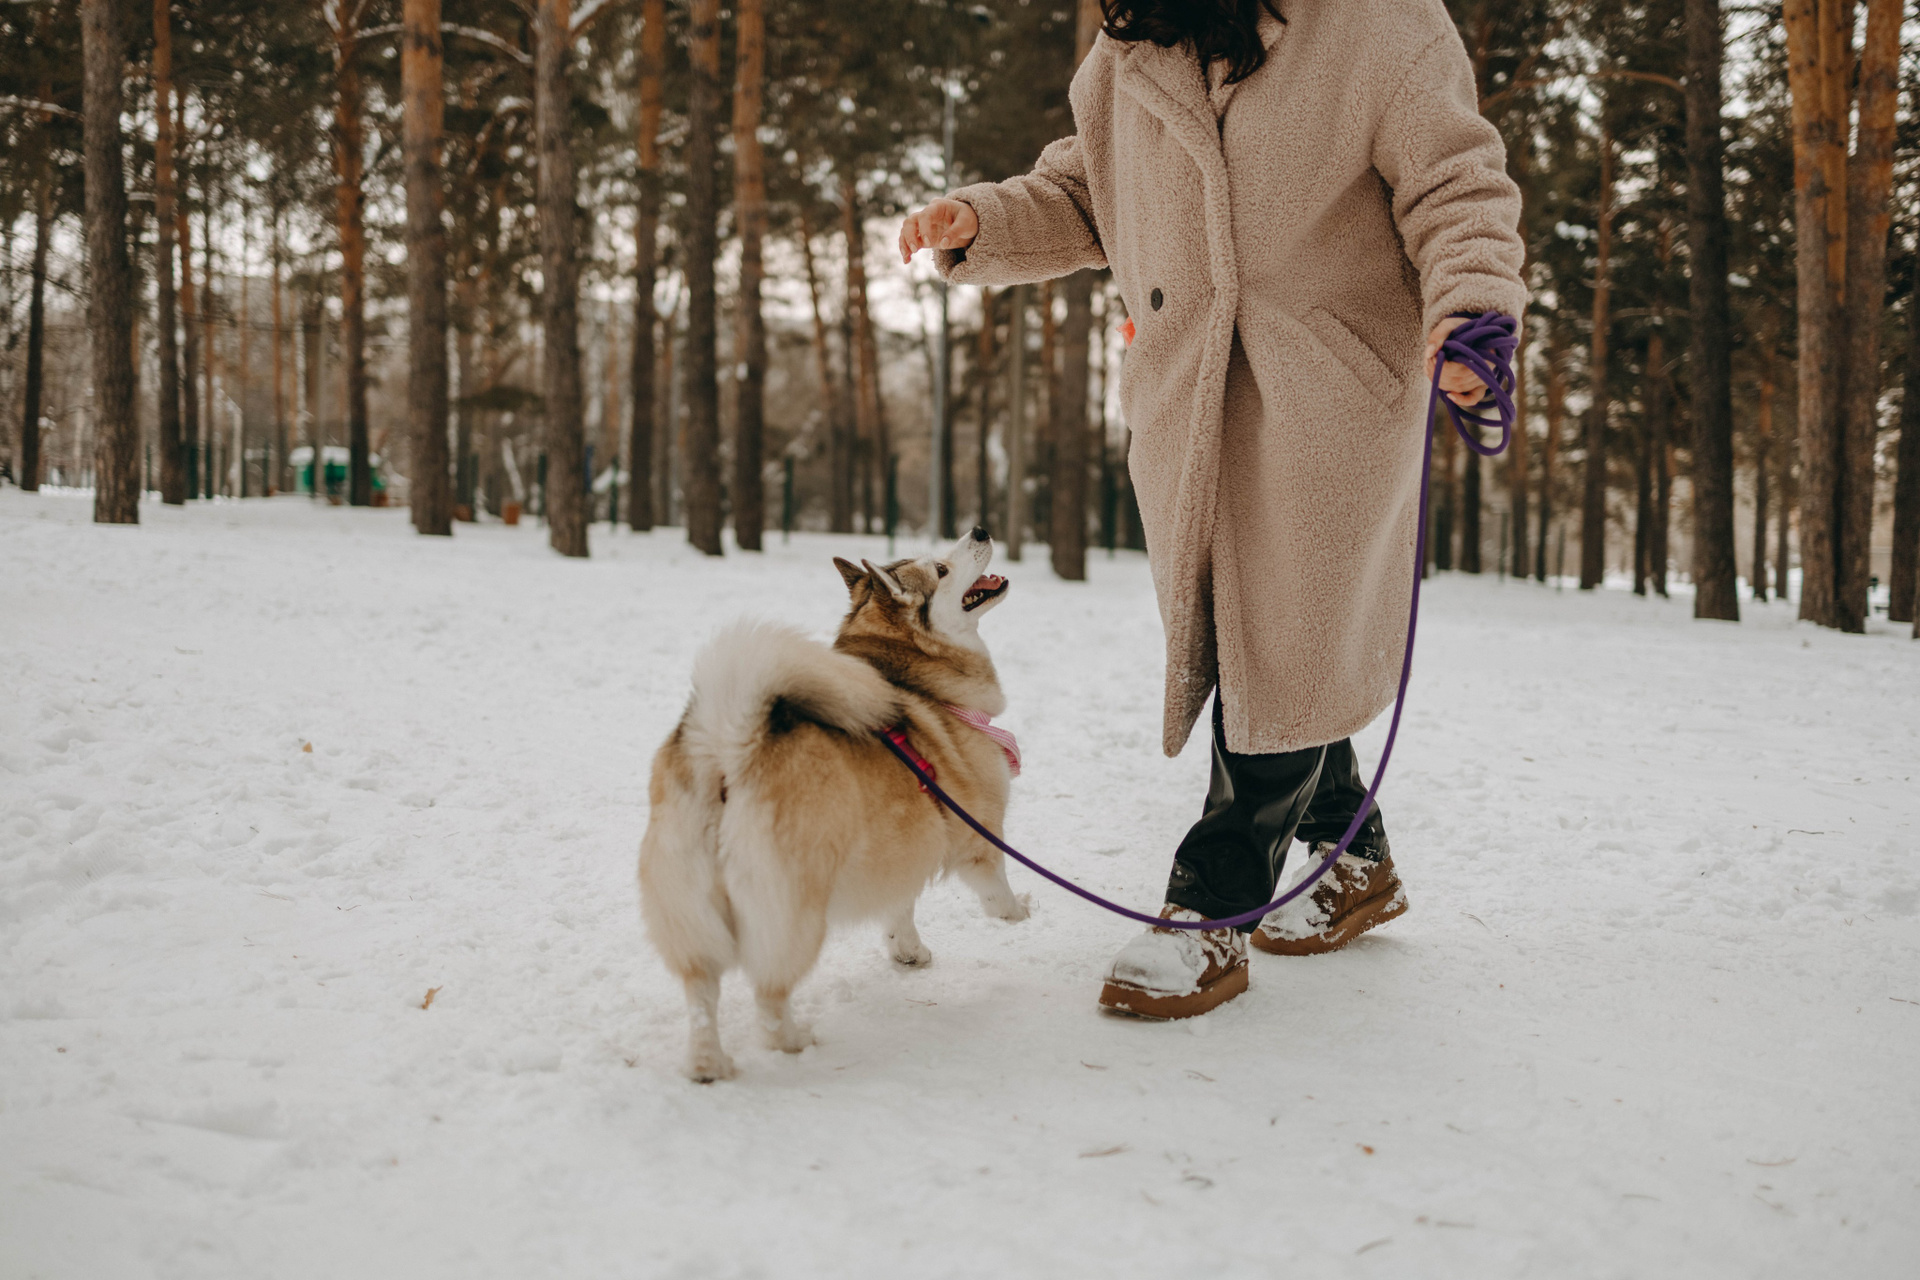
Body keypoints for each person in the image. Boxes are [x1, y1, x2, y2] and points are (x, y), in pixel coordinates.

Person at [899, 0, 1525, 1018]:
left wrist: (1473, 314)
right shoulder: (1132, 48)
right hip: (1188, 402)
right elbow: (1086, 190)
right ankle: (1356, 859)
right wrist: (984, 220)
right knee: (1265, 650)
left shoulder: (1379, 23)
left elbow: (1456, 185)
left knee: (1285, 638)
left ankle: (1208, 907)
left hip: (1326, 394)